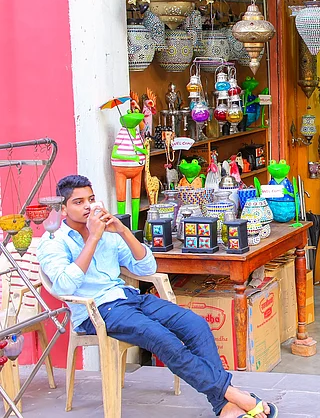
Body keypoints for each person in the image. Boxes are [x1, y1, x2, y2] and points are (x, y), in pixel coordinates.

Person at [38, 175, 277, 418]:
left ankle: (224, 404)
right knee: (163, 338)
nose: (88, 206)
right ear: (63, 208)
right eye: (78, 202)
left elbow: (147, 267)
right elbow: (65, 285)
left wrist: (122, 231)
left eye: (91, 199)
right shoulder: (54, 242)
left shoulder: (107, 233)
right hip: (97, 311)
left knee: (195, 325)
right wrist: (93, 238)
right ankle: (231, 394)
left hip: (129, 298)